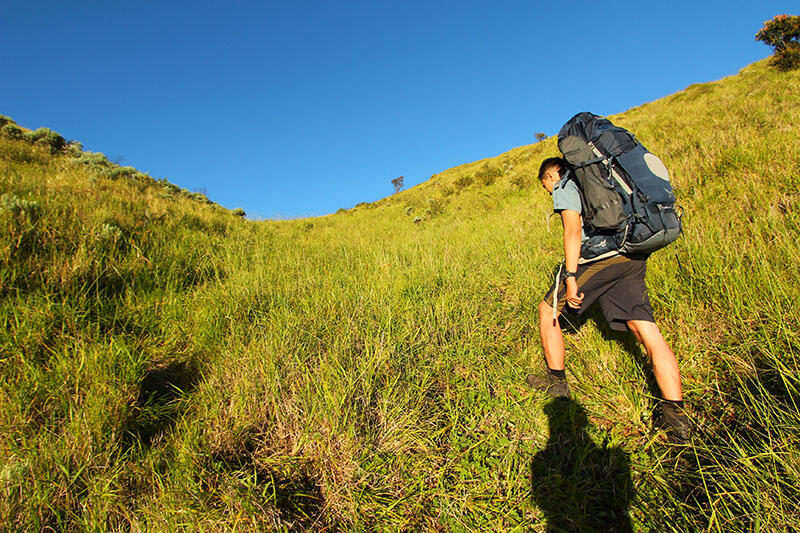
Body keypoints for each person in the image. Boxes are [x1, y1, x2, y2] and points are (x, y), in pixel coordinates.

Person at [529, 156, 691, 441]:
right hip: (633, 254)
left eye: (548, 187)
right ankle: (676, 414)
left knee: (548, 309)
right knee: (644, 328)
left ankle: (556, 382)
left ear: (552, 176)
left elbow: (573, 230)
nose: (551, 194)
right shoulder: (607, 177)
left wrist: (570, 276)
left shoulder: (567, 183)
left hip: (601, 258)